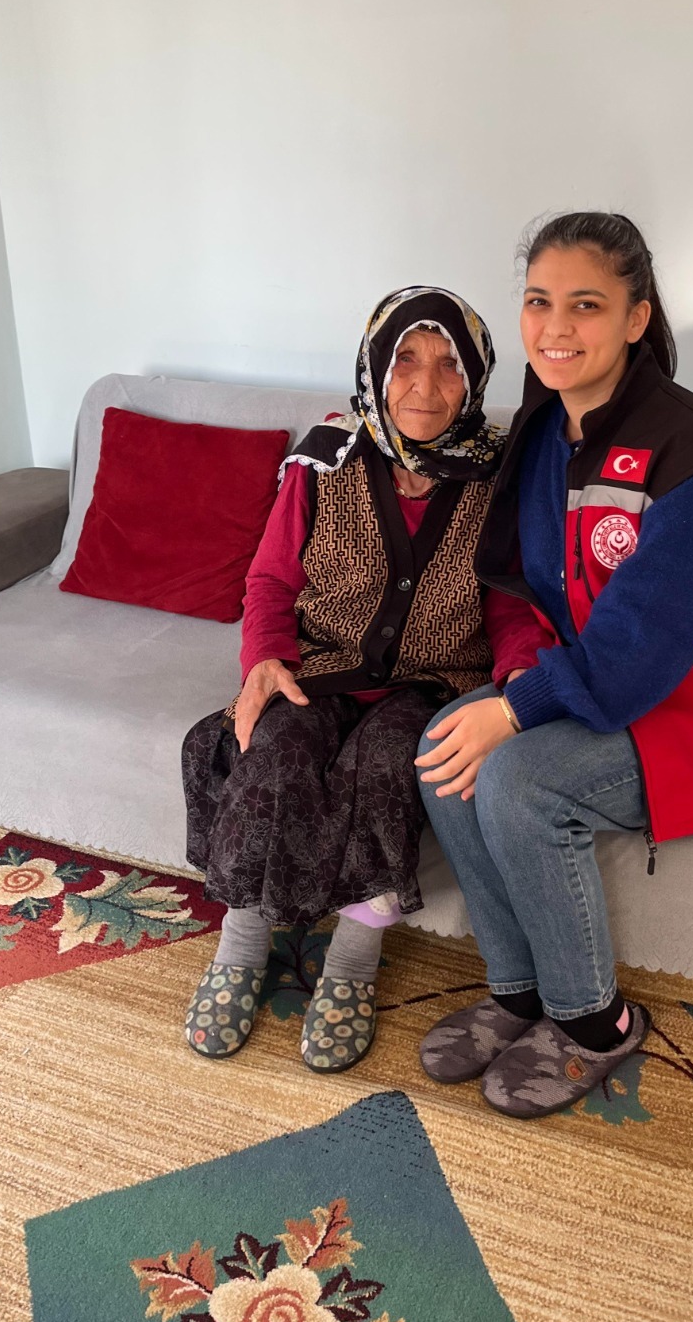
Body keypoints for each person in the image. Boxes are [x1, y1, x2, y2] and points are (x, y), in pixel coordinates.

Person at [415, 213, 693, 1119]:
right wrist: (516, 684)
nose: (556, 327)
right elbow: (523, 589)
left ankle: (595, 1021)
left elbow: (645, 644)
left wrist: (518, 713)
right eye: (538, 302)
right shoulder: (543, 433)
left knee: (519, 780)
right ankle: (518, 993)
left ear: (636, 318)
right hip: (600, 681)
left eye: (585, 305)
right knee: (443, 746)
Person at [182, 287, 542, 1073]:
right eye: (406, 359)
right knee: (273, 755)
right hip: (320, 668)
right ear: (375, 367)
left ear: (475, 379)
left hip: (432, 681)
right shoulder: (325, 458)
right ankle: (241, 948)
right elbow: (271, 581)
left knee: (389, 768)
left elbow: (511, 603)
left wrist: (519, 678)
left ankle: (350, 966)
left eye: (449, 365)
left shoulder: (500, 476)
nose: (425, 385)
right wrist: (265, 660)